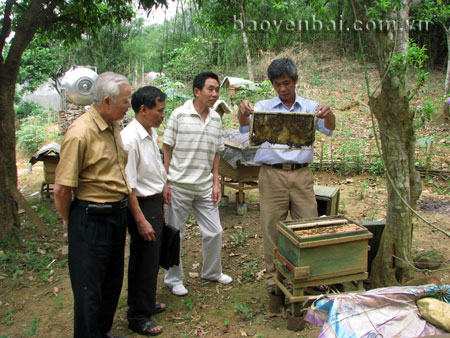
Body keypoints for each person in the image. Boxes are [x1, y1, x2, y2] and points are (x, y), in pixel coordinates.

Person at [238, 58, 336, 291]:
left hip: (302, 175)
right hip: (271, 175)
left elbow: (330, 128)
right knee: (272, 228)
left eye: (286, 83)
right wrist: (242, 112)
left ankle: (307, 276)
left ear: (295, 81)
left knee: (307, 226)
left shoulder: (311, 108)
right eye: (277, 84)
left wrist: (328, 113)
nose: (282, 89)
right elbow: (244, 127)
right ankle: (274, 279)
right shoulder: (262, 107)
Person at [54, 72, 132, 338]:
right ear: (107, 101)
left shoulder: (114, 126)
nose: (129, 105)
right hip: (91, 219)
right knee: (89, 290)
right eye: (126, 101)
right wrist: (69, 222)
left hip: (116, 216)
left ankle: (101, 333)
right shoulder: (80, 133)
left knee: (111, 285)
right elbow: (62, 188)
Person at [162, 71, 232, 296]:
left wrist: (216, 182)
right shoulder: (179, 115)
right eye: (210, 89)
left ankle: (211, 272)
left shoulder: (216, 119)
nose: (215, 94)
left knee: (214, 231)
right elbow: (167, 149)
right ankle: (173, 278)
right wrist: (165, 182)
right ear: (196, 91)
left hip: (204, 186)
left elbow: (216, 154)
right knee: (175, 234)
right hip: (179, 185)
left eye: (216, 90)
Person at [121, 86, 167, 336]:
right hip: (140, 205)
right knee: (142, 259)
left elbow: (155, 166)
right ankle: (137, 316)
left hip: (154, 201)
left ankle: (147, 302)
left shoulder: (150, 132)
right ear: (143, 109)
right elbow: (128, 185)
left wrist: (164, 186)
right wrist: (140, 219)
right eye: (159, 111)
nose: (162, 115)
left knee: (152, 258)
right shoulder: (129, 139)